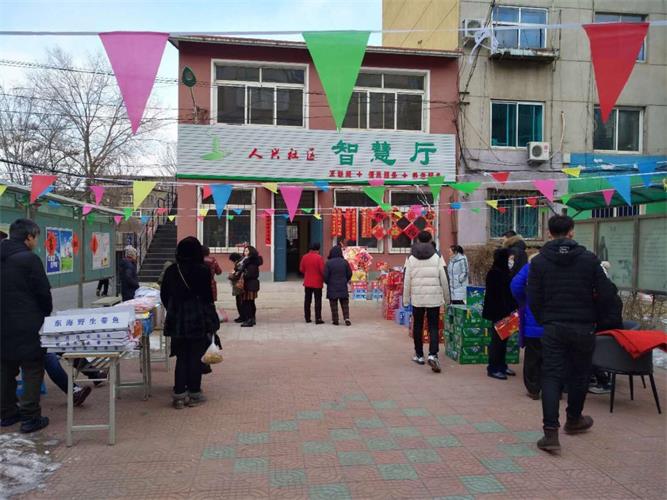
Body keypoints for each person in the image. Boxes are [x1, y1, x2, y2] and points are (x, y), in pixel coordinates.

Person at [527, 215, 616, 452]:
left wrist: (545, 318)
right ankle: (574, 419)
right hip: (583, 326)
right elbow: (607, 293)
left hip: (553, 326)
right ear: (571, 232)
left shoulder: (539, 262)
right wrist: (595, 316)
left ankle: (550, 432)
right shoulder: (589, 259)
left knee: (551, 375)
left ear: (549, 233)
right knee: (580, 374)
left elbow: (533, 297)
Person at [0, 219, 51, 432]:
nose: (36, 241)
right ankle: (30, 417)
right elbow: (43, 292)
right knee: (32, 367)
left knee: (4, 368)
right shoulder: (29, 259)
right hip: (28, 322)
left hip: (2, 323)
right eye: (35, 237)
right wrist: (45, 313)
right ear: (28, 237)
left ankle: (6, 413)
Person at [160, 237, 217, 409]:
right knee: (195, 356)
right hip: (197, 318)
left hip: (177, 319)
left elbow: (164, 295)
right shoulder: (202, 270)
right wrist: (212, 319)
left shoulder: (171, 270)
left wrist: (174, 309)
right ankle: (194, 393)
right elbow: (208, 298)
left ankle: (179, 395)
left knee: (181, 356)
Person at [403, 231, 450, 373]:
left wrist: (406, 300)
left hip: (417, 299)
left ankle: (419, 355)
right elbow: (444, 279)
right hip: (434, 299)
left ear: (417, 239)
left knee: (417, 326)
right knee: (433, 326)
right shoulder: (437, 256)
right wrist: (447, 299)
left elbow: (406, 280)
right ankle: (433, 354)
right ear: (430, 240)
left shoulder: (410, 257)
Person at [511, 254, 544, 399]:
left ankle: (533, 389)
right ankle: (554, 389)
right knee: (554, 358)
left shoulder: (530, 267)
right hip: (555, 323)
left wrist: (524, 299)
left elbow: (516, 286)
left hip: (533, 322)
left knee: (532, 357)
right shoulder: (560, 267)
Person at [482, 248, 518, 380]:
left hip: (506, 311)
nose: (511, 261)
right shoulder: (494, 273)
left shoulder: (505, 272)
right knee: (497, 341)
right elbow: (495, 296)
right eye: (509, 258)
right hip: (498, 312)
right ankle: (493, 368)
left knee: (504, 340)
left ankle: (502, 365)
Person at [324, 245, 352, 326]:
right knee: (344, 303)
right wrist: (345, 280)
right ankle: (346, 318)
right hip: (343, 285)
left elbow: (325, 276)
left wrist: (328, 282)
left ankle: (335, 319)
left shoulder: (328, 263)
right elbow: (349, 273)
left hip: (332, 286)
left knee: (333, 304)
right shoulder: (345, 262)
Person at [300, 242, 325, 324]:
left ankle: (307, 318)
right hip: (317, 283)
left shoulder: (304, 257)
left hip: (307, 282)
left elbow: (301, 269)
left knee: (307, 300)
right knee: (317, 301)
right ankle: (318, 318)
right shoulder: (319, 258)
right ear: (318, 249)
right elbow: (322, 271)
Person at [239, 246, 262, 328]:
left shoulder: (251, 262)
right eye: (244, 251)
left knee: (248, 303)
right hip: (250, 284)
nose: (245, 252)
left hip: (250, 284)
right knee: (250, 302)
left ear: (251, 252)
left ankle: (249, 320)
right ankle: (251, 318)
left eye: (247, 251)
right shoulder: (245, 261)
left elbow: (250, 274)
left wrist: (242, 274)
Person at [228, 253, 245, 323]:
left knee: (239, 301)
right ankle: (242, 316)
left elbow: (238, 274)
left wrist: (231, 276)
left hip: (239, 285)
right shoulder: (241, 262)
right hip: (241, 285)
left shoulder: (239, 264)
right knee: (241, 300)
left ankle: (242, 316)